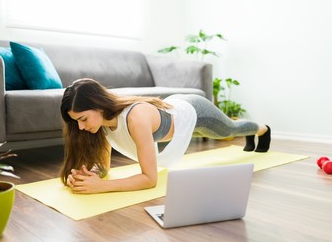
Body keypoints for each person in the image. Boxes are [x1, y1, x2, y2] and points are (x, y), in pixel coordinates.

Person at [60, 78, 271, 194]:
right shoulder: (101, 125)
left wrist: (102, 187)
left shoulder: (136, 118)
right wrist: (86, 176)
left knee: (230, 131)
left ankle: (262, 129)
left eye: (83, 119)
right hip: (173, 108)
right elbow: (104, 167)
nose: (80, 127)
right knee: (229, 131)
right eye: (76, 121)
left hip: (194, 112)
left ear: (97, 106)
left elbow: (150, 179)